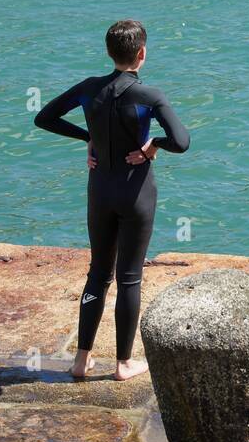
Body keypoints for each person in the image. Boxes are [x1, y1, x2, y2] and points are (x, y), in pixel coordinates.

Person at [34, 19, 190, 379]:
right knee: (130, 278)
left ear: (109, 52)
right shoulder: (150, 95)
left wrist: (88, 137)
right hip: (136, 192)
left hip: (100, 190)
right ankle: (123, 363)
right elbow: (181, 141)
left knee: (98, 274)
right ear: (142, 53)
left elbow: (45, 118)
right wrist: (154, 145)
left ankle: (81, 359)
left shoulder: (90, 89)